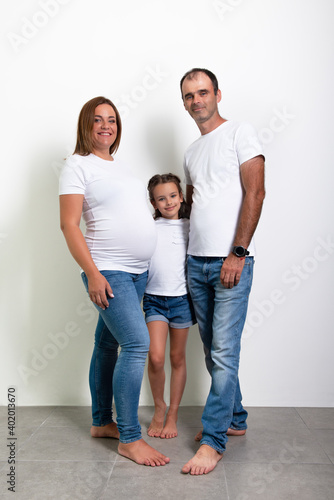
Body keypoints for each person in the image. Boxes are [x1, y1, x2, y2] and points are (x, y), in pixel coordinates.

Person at [59, 96, 169, 467]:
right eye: (97, 120)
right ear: (85, 126)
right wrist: (93, 273)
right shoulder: (76, 166)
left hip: (138, 273)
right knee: (137, 345)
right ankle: (130, 439)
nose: (106, 126)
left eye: (112, 120)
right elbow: (69, 224)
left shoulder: (121, 168)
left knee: (107, 345)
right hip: (109, 271)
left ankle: (101, 422)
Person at [179, 69, 266, 475]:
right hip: (196, 262)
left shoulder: (239, 132)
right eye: (188, 96)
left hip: (231, 260)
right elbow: (194, 205)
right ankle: (235, 419)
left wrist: (237, 251)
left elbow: (256, 191)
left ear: (217, 94)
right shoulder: (191, 152)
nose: (196, 101)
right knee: (214, 349)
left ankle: (213, 441)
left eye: (202, 93)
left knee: (224, 351)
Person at [143, 174, 196, 439]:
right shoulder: (149, 227)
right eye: (161, 198)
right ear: (153, 202)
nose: (168, 202)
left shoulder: (190, 226)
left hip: (182, 301)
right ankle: (159, 406)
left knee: (176, 358)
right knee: (155, 356)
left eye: (173, 196)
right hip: (154, 299)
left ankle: (173, 413)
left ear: (181, 196)